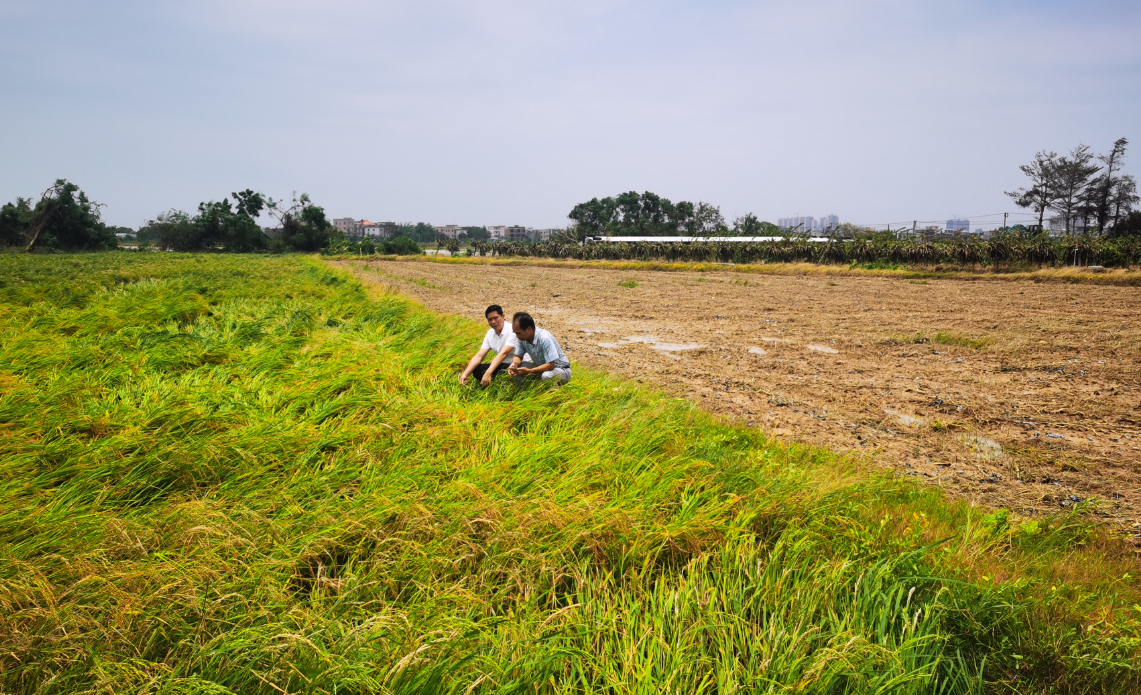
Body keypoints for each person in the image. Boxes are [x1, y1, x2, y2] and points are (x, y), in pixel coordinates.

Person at [459, 305, 520, 386]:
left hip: (517, 365)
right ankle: (496, 384)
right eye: (490, 319)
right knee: (477, 370)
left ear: (503, 316)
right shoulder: (490, 334)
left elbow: (503, 353)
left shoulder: (512, 330)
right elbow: (479, 356)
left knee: (492, 372)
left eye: (495, 318)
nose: (493, 322)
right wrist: (465, 375)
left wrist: (489, 372)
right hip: (503, 365)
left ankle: (505, 384)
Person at [507, 312, 571, 386]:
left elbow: (550, 366)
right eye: (515, 333)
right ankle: (527, 392)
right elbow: (518, 356)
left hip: (561, 370)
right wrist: (514, 364)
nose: (517, 336)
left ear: (529, 329)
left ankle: (554, 395)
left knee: (546, 376)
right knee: (517, 371)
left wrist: (529, 371)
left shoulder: (544, 338)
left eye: (518, 333)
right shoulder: (522, 338)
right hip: (541, 368)